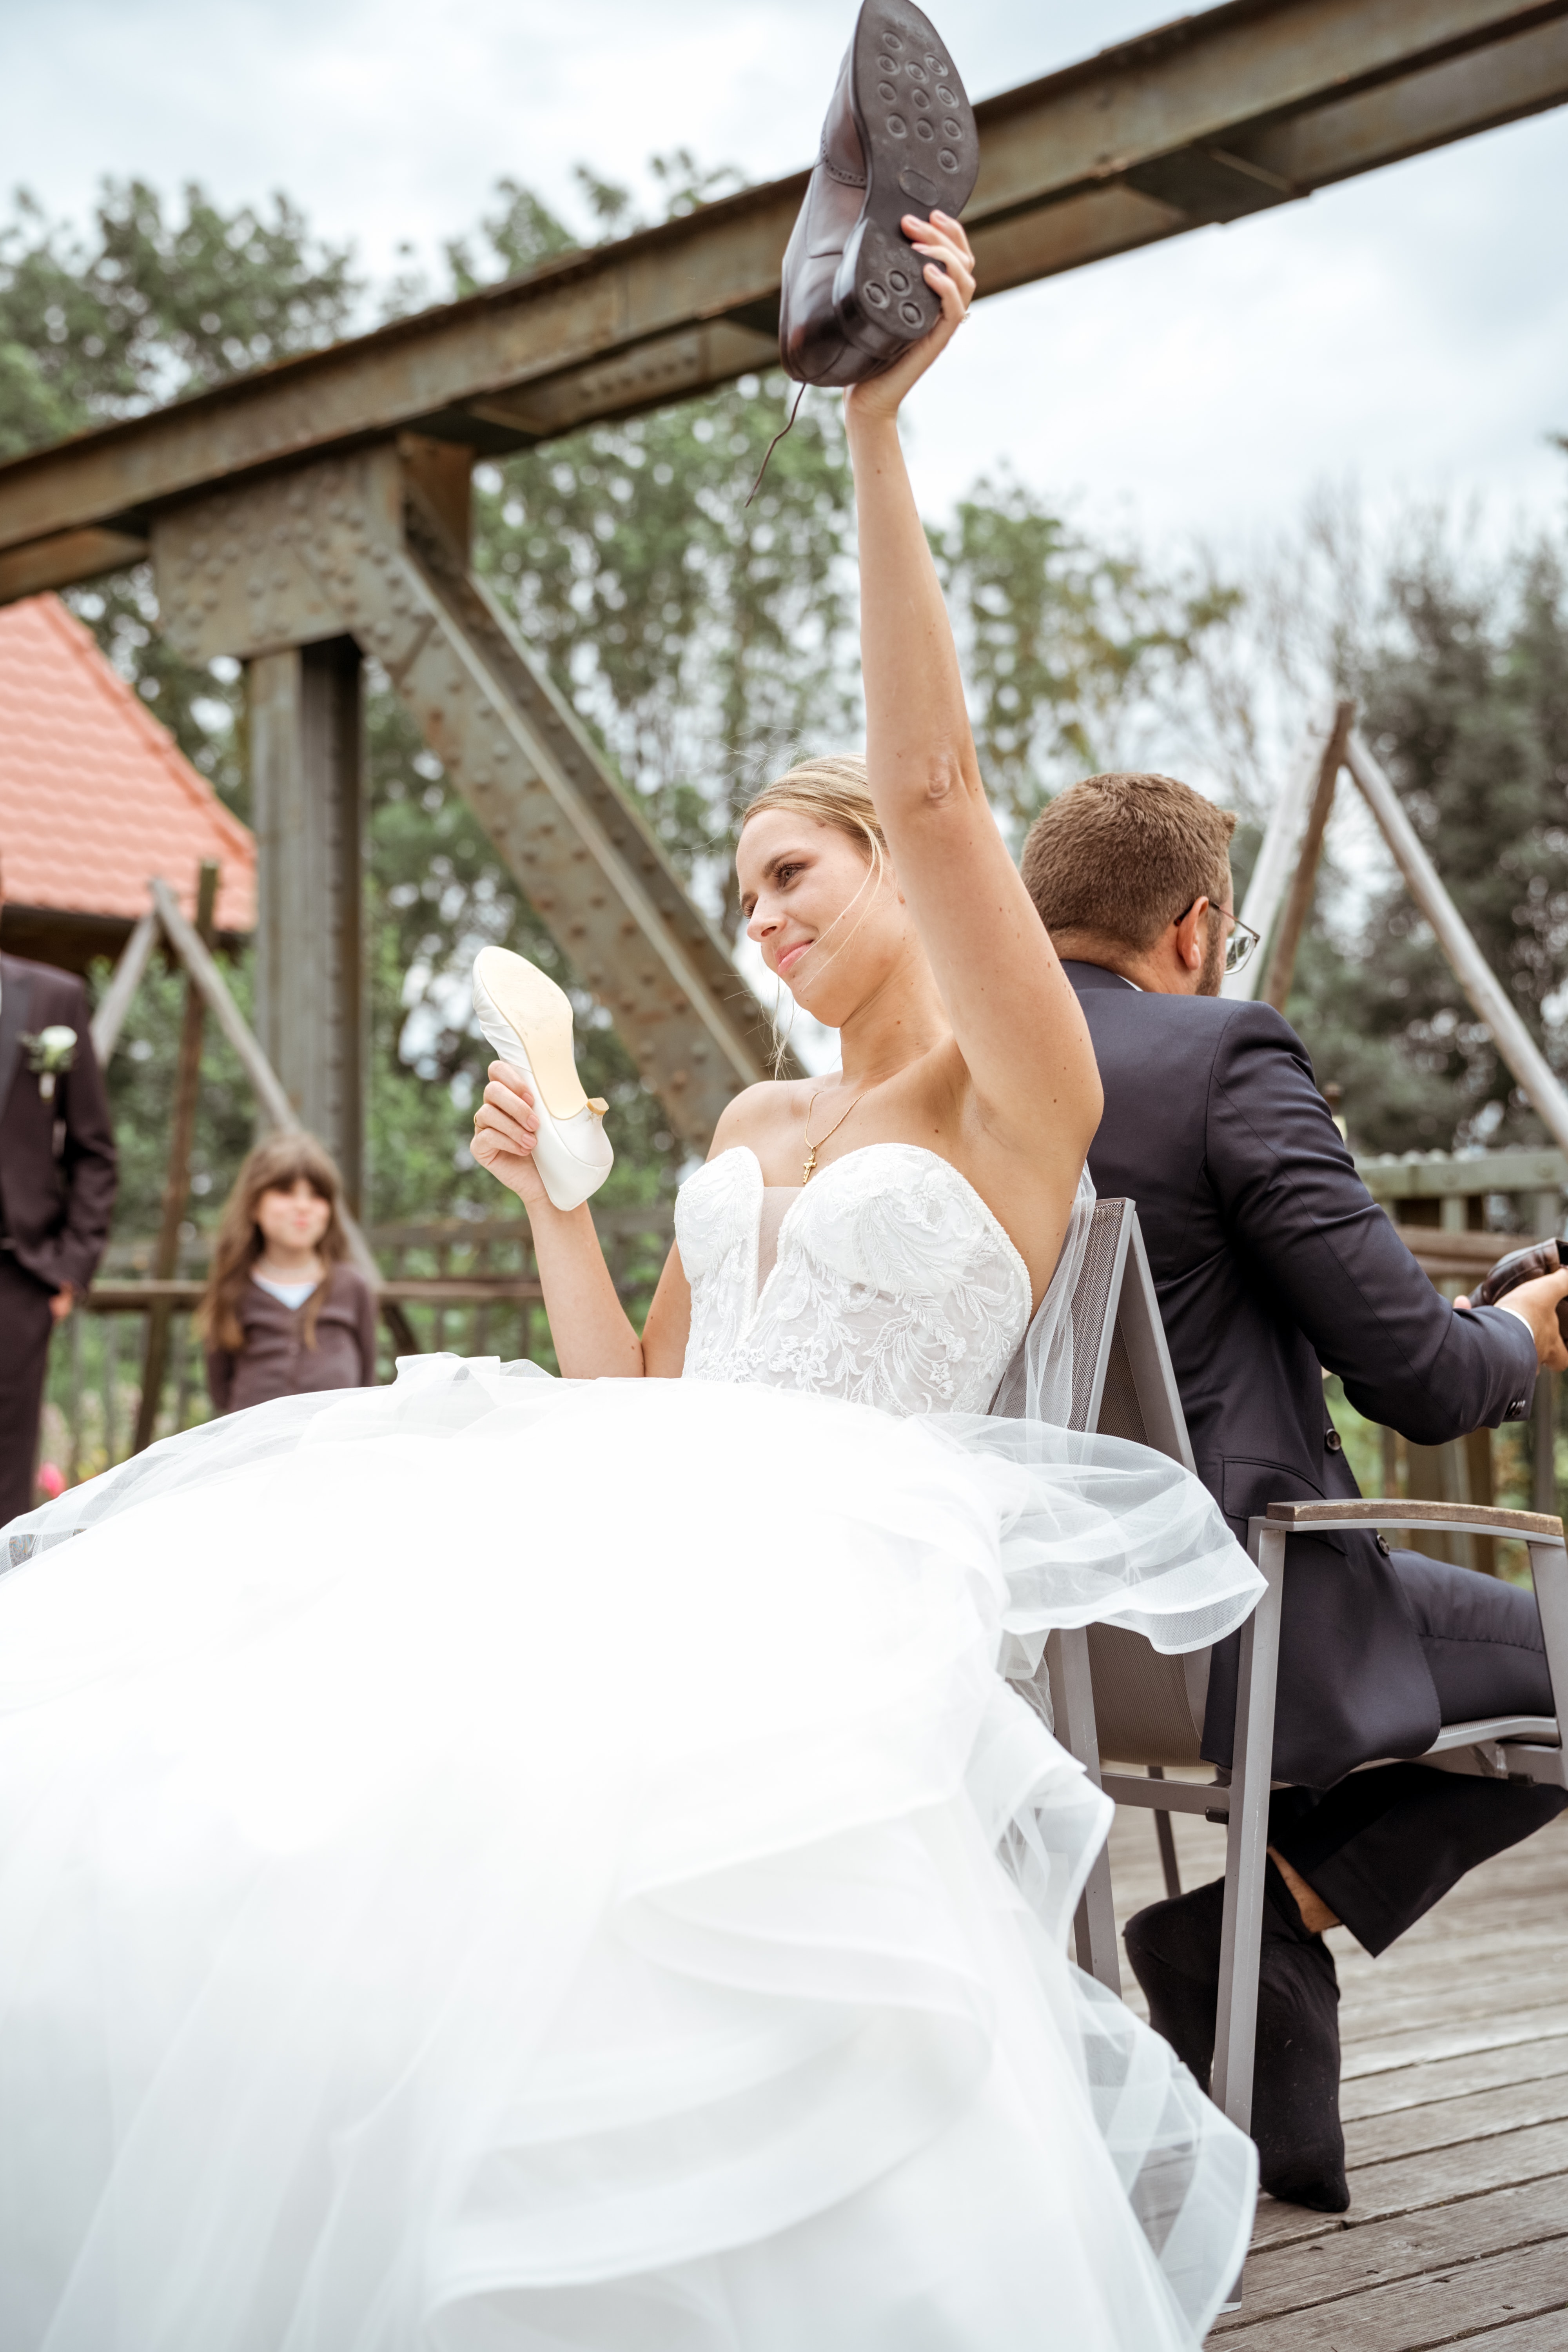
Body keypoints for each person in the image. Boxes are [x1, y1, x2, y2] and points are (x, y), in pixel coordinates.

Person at [0, 221, 1265, 2352]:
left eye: (795, 872)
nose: (759, 915)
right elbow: (639, 1404)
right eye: (742, 886)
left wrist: (874, 431)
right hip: (657, 1525)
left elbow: (952, 784)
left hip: (846, 1580)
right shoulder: (751, 1135)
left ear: (893, 864)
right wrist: (568, 1222)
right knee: (304, 1819)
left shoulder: (1012, 1090)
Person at [1020, 768, 1568, 2212]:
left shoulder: (958, 1079)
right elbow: (1420, 1381)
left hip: (1044, 1636)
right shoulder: (1219, 1057)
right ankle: (1265, 1913)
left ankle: (1253, 1948)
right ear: (1196, 929)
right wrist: (1519, 1333)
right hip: (1239, 1615)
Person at [0, 862, 117, 1525]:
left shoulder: (53, 1000)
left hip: (17, 1278)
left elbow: (95, 1151)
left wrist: (69, 1270)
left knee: (7, 1469)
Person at [199, 1134, 378, 1413]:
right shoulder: (233, 1289)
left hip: (335, 1449)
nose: (303, 1206)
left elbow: (368, 1379)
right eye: (286, 1192)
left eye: (317, 1195)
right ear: (253, 1205)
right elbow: (220, 1389)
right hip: (254, 1451)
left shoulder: (352, 1286)